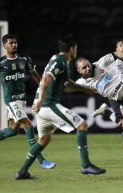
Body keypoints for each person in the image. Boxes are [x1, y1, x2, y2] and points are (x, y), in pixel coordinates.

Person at [15, 35, 105, 180]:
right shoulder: (61, 62)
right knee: (82, 125)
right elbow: (45, 80)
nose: (76, 51)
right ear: (71, 49)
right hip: (48, 105)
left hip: (42, 108)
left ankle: (22, 171)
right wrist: (40, 101)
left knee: (44, 140)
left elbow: (66, 84)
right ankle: (86, 165)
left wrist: (83, 89)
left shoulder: (57, 59)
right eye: (75, 48)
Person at [0, 34, 55, 169]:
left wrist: (43, 88)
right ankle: (40, 160)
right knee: (28, 125)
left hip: (21, 99)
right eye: (11, 43)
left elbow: (34, 74)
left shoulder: (25, 59)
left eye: (15, 42)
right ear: (4, 45)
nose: (14, 45)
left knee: (12, 131)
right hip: (11, 101)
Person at [93, 39, 123, 157]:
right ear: (117, 49)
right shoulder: (113, 63)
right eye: (121, 45)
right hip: (115, 93)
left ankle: (106, 112)